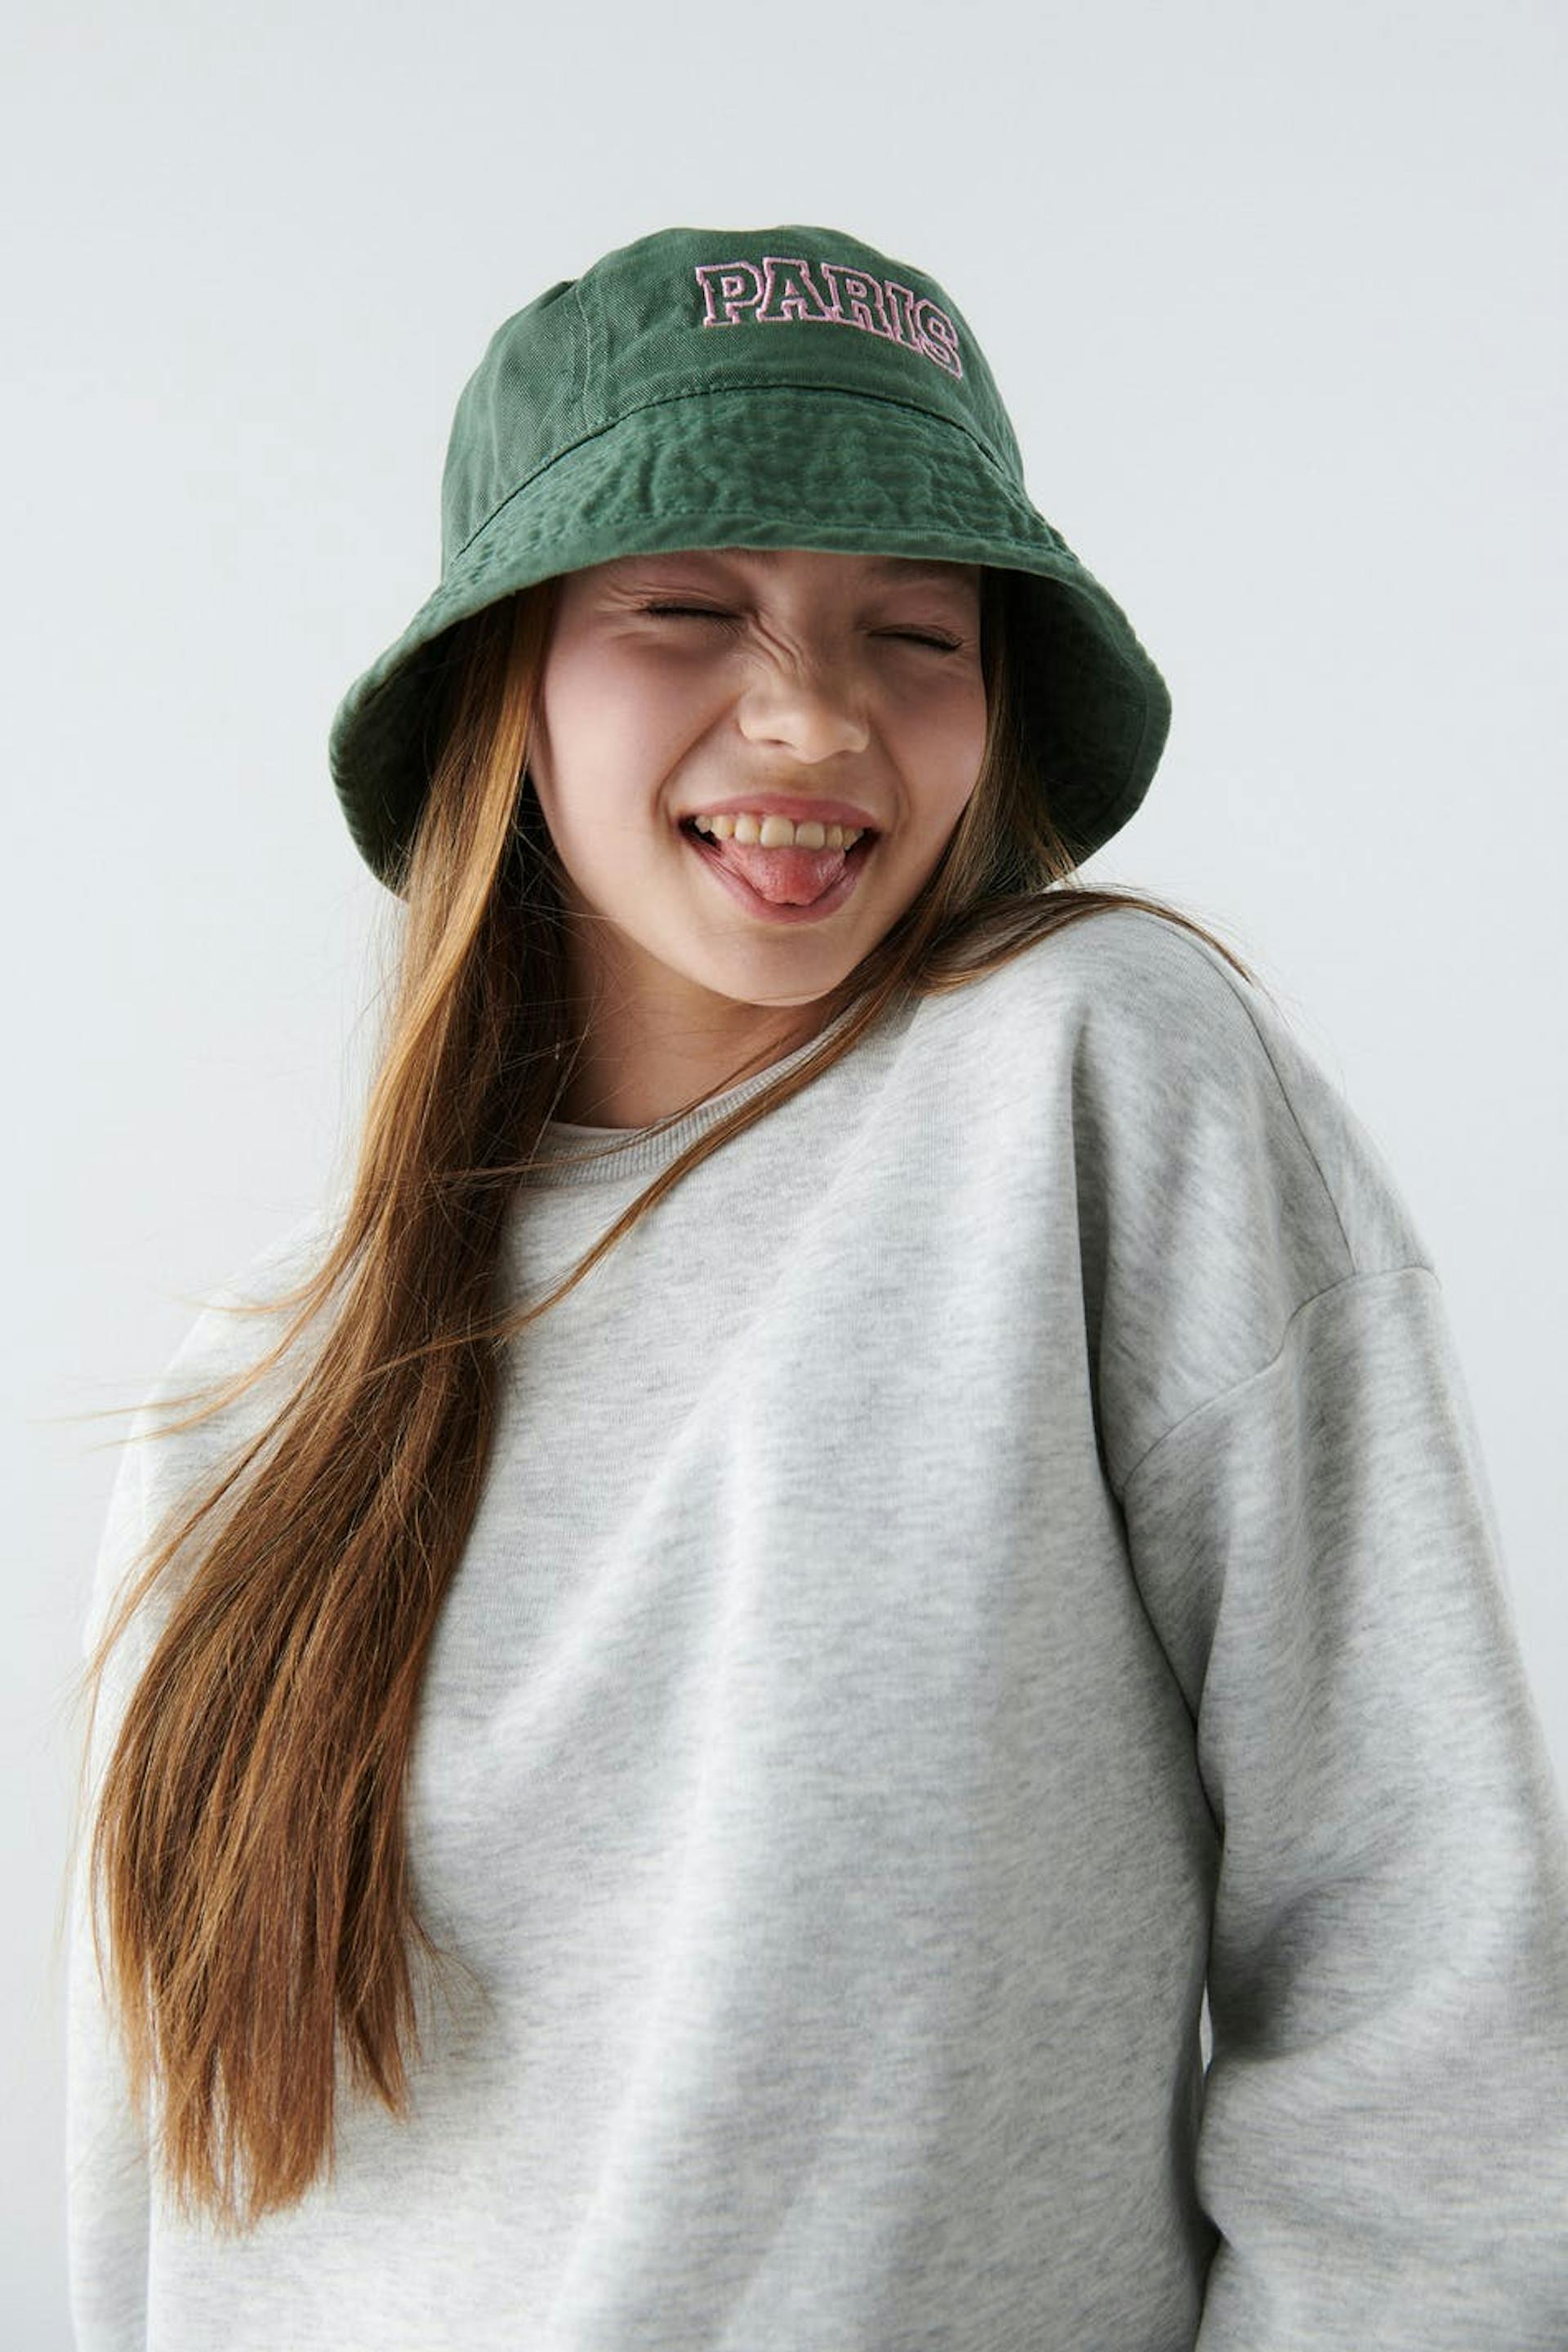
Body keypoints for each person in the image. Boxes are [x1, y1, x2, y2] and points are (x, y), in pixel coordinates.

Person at [61, 222, 1568, 2350]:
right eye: (687, 609)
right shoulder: (257, 1409)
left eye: (917, 633)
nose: (810, 712)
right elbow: (174, 2218)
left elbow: (1428, 2000)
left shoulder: (1082, 1083)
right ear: (507, 680)